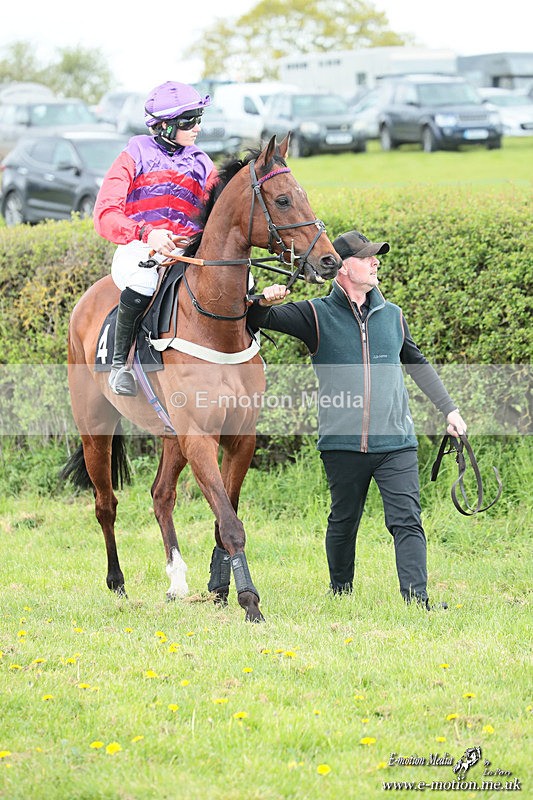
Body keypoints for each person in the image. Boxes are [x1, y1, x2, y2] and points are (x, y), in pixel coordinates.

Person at [247, 229, 467, 609]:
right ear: (343, 267)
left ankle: (418, 600)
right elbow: (252, 318)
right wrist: (263, 300)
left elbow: (416, 363)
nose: (375, 261)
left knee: (407, 521)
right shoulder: (313, 314)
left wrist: (450, 410)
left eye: (375, 256)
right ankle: (341, 592)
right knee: (344, 521)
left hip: (396, 442)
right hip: (342, 443)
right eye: (367, 257)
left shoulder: (392, 316)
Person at [93, 81, 218, 396]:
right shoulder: (134, 153)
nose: (197, 128)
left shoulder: (202, 162)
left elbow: (219, 213)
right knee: (145, 282)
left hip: (188, 249)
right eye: (189, 121)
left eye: (199, 119)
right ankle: (120, 366)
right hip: (139, 246)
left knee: (242, 281)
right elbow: (105, 214)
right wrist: (145, 233)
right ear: (164, 125)